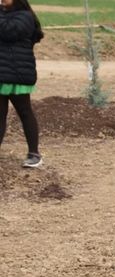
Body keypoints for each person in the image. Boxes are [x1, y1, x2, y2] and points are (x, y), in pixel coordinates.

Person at [0, 0, 44, 169]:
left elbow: (8, 32)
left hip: (18, 74)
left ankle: (34, 154)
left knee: (25, 112)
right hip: (2, 73)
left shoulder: (25, 17)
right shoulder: (4, 14)